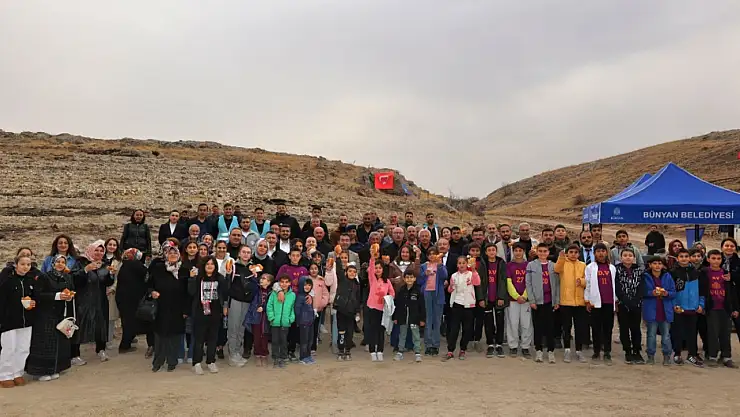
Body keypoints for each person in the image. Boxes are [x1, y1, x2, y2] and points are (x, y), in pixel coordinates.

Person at [25, 255, 75, 382]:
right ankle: (41, 371)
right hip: (45, 314)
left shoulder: (67, 277)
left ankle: (55, 368)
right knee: (45, 343)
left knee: (58, 342)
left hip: (60, 314)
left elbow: (71, 290)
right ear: (52, 263)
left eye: (63, 262)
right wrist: (57, 296)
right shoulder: (45, 277)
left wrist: (69, 296)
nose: (60, 264)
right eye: (58, 261)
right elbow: (38, 294)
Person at [148, 241, 188, 372]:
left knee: (174, 336)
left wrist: (185, 310)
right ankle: (158, 361)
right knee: (160, 336)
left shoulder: (183, 270)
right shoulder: (159, 268)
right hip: (161, 306)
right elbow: (149, 284)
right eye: (170, 253)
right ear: (166, 254)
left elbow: (187, 292)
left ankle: (172, 361)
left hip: (177, 308)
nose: (172, 255)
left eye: (175, 253)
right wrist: (152, 292)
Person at [72, 240, 115, 364]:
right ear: (91, 250)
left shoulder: (104, 264)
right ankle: (74, 355)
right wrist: (86, 270)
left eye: (101, 251)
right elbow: (74, 279)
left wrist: (111, 274)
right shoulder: (81, 262)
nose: (99, 253)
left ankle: (101, 350)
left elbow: (107, 282)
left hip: (99, 300)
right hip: (84, 300)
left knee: (101, 325)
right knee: (80, 326)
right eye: (96, 250)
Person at [0, 253, 38, 388]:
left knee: (23, 348)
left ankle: (17, 373)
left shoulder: (31, 281)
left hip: (27, 320)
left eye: (28, 264)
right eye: (22, 264)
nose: (25, 267)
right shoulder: (7, 281)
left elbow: (35, 297)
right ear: (16, 265)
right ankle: (5, 375)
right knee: (9, 348)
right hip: (9, 321)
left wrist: (33, 303)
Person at [189, 256, 229, 375]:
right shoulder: (198, 278)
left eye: (212, 264)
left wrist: (225, 306)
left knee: (213, 338)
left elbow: (225, 293)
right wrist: (191, 279)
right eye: (207, 264)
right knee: (199, 338)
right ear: (203, 266)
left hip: (215, 311)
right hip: (200, 311)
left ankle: (211, 361)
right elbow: (191, 292)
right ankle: (196, 362)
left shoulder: (220, 278)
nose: (210, 266)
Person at [702, 249, 739, 368]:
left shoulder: (726, 273)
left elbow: (732, 292)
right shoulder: (704, 273)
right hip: (711, 307)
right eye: (713, 258)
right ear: (708, 259)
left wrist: (735, 308)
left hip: (725, 307)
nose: (716, 261)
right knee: (713, 332)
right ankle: (712, 356)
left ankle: (726, 356)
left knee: (725, 332)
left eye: (718, 258)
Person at [526, 243, 559, 363]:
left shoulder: (553, 266)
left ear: (548, 253)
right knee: (538, 327)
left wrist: (557, 300)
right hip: (537, 302)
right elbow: (528, 284)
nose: (542, 253)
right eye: (540, 251)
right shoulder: (531, 265)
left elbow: (557, 284)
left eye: (545, 251)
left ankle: (551, 351)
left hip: (550, 301)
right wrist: (532, 300)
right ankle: (538, 350)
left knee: (550, 327)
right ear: (537, 252)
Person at [584, 243, 617, 364]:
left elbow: (614, 285)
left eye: (603, 251)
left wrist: (616, 301)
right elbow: (587, 284)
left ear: (607, 253)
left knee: (608, 328)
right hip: (595, 302)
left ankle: (607, 352)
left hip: (609, 302)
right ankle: (596, 351)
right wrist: (587, 300)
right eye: (598, 251)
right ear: (594, 254)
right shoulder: (590, 267)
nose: (601, 253)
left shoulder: (612, 268)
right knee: (596, 328)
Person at [443, 255, 480, 361]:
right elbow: (450, 290)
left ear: (467, 264)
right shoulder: (454, 276)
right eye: (459, 263)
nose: (461, 265)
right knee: (454, 329)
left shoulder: (471, 274)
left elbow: (477, 282)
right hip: (457, 304)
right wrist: (451, 287)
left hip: (468, 305)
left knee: (467, 329)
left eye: (463, 263)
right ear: (457, 265)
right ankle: (450, 350)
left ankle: (463, 349)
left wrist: (474, 270)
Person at [555, 244, 587, 363]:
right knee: (566, 327)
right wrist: (561, 258)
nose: (573, 254)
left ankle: (579, 350)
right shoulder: (563, 263)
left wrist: (582, 282)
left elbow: (588, 280)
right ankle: (567, 350)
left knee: (580, 328)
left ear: (579, 254)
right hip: (566, 301)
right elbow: (556, 270)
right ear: (567, 253)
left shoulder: (583, 265)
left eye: (576, 252)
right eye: (571, 252)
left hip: (580, 302)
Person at [670, 248, 702, 367]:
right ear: (677, 258)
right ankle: (677, 354)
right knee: (677, 332)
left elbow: (702, 291)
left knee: (692, 332)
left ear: (689, 258)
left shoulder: (696, 272)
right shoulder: (672, 273)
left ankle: (692, 355)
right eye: (681, 256)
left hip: (693, 308)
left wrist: (701, 305)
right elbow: (670, 291)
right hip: (679, 308)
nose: (684, 259)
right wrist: (674, 305)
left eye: (686, 256)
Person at [116, 248, 151, 354]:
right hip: (130, 299)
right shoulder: (135, 265)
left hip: (123, 298)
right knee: (130, 321)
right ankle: (124, 345)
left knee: (127, 320)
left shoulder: (125, 264)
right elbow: (147, 274)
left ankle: (128, 340)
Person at [476, 243, 508, 358]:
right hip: (487, 298)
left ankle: (499, 344)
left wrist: (501, 297)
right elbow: (479, 282)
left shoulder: (501, 263)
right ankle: (490, 343)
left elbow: (504, 280)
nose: (491, 252)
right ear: (486, 252)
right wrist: (480, 298)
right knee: (488, 322)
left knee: (500, 321)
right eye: (489, 250)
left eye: (493, 250)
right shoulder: (483, 263)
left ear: (496, 251)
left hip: (498, 298)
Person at [642, 256, 676, 366]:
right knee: (651, 335)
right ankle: (650, 356)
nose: (657, 266)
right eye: (655, 263)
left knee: (666, 335)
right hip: (651, 310)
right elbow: (642, 292)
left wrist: (667, 293)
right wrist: (651, 293)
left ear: (663, 265)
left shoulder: (667, 276)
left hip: (665, 311)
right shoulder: (645, 276)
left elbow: (673, 292)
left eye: (660, 263)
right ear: (650, 265)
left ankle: (667, 356)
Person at [614, 248, 645, 365]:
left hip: (637, 304)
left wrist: (636, 301)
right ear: (620, 258)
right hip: (623, 304)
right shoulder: (616, 270)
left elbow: (641, 287)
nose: (628, 257)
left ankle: (637, 351)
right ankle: (627, 351)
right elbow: (617, 287)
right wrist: (625, 300)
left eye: (630, 255)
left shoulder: (639, 271)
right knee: (624, 328)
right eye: (625, 255)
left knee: (636, 328)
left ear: (634, 258)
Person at [226, 246, 255, 367]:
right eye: (244, 252)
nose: (246, 254)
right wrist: (225, 304)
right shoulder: (233, 266)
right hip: (235, 301)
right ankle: (232, 354)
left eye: (248, 252)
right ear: (239, 253)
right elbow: (227, 285)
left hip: (247, 302)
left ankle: (237, 352)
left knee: (242, 329)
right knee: (233, 328)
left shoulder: (253, 268)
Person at [367, 245, 396, 361]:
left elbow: (392, 293)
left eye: (380, 268)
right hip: (372, 308)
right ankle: (372, 350)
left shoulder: (387, 281)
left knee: (381, 330)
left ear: (383, 269)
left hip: (382, 309)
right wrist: (372, 258)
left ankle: (380, 350)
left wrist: (388, 299)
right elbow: (371, 268)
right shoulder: (373, 279)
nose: (378, 270)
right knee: (373, 330)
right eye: (376, 268)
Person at [329, 258, 361, 361]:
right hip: (341, 311)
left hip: (351, 313)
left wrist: (357, 312)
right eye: (350, 271)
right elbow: (338, 270)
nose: (352, 273)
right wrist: (338, 257)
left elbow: (358, 299)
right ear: (346, 272)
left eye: (354, 272)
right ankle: (341, 350)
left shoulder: (357, 285)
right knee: (341, 332)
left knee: (350, 333)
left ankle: (347, 350)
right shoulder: (342, 280)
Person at [418, 248, 448, 356]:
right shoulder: (423, 266)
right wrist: (424, 274)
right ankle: (428, 344)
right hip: (427, 293)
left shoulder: (440, 265)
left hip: (438, 294)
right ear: (427, 256)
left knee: (437, 320)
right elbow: (419, 281)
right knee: (428, 319)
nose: (432, 256)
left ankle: (435, 345)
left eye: (434, 254)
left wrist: (439, 265)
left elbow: (444, 276)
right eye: (429, 254)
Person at [505, 242, 532, 358]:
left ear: (523, 252)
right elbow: (508, 282)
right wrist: (516, 296)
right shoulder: (509, 266)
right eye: (516, 250)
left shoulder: (529, 265)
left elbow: (530, 282)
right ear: (513, 252)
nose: (518, 253)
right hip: (513, 300)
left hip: (526, 300)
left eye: (520, 251)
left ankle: (525, 346)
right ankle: (513, 346)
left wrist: (524, 296)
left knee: (526, 324)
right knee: (513, 323)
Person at [393, 270, 425, 363]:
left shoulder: (418, 291)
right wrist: (395, 317)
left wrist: (422, 319)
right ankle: (400, 351)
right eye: (407, 277)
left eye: (411, 277)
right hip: (403, 317)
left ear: (415, 278)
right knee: (402, 334)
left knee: (416, 335)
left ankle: (417, 352)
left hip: (414, 318)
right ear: (404, 279)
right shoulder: (401, 290)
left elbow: (422, 306)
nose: (409, 279)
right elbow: (397, 305)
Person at [267, 275, 296, 368]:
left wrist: (291, 319)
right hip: (275, 322)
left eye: (286, 282)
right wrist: (271, 317)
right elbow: (269, 306)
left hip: (285, 322)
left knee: (284, 341)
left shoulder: (292, 295)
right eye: (282, 282)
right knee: (275, 341)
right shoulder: (273, 294)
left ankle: (283, 357)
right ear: (279, 283)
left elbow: (293, 308)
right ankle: (275, 357)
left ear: (289, 283)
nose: (284, 284)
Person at [244, 273, 272, 367]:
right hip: (255, 316)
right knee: (256, 337)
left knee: (264, 336)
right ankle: (257, 354)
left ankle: (264, 354)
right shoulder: (257, 289)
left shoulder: (271, 292)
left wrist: (264, 307)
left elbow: (271, 303)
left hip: (266, 318)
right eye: (261, 278)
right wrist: (254, 277)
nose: (261, 280)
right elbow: (253, 285)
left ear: (269, 282)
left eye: (264, 278)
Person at [720, 238, 740, 343]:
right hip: (719, 296)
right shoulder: (716, 259)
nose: (729, 248)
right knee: (722, 328)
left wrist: (732, 276)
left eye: (732, 246)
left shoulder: (738, 262)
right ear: (722, 247)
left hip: (736, 296)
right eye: (726, 245)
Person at [102, 238, 121, 347]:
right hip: (100, 290)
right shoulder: (101, 257)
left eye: (114, 245)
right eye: (110, 244)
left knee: (110, 318)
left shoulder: (118, 261)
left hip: (111, 292)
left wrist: (113, 288)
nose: (112, 247)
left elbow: (119, 277)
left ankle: (108, 340)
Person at [295, 277, 316, 365]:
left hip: (310, 322)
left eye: (309, 285)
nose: (307, 287)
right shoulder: (300, 297)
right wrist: (299, 321)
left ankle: (308, 355)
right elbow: (297, 310)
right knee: (304, 341)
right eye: (305, 285)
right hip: (303, 322)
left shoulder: (308, 296)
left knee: (310, 340)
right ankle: (303, 357)